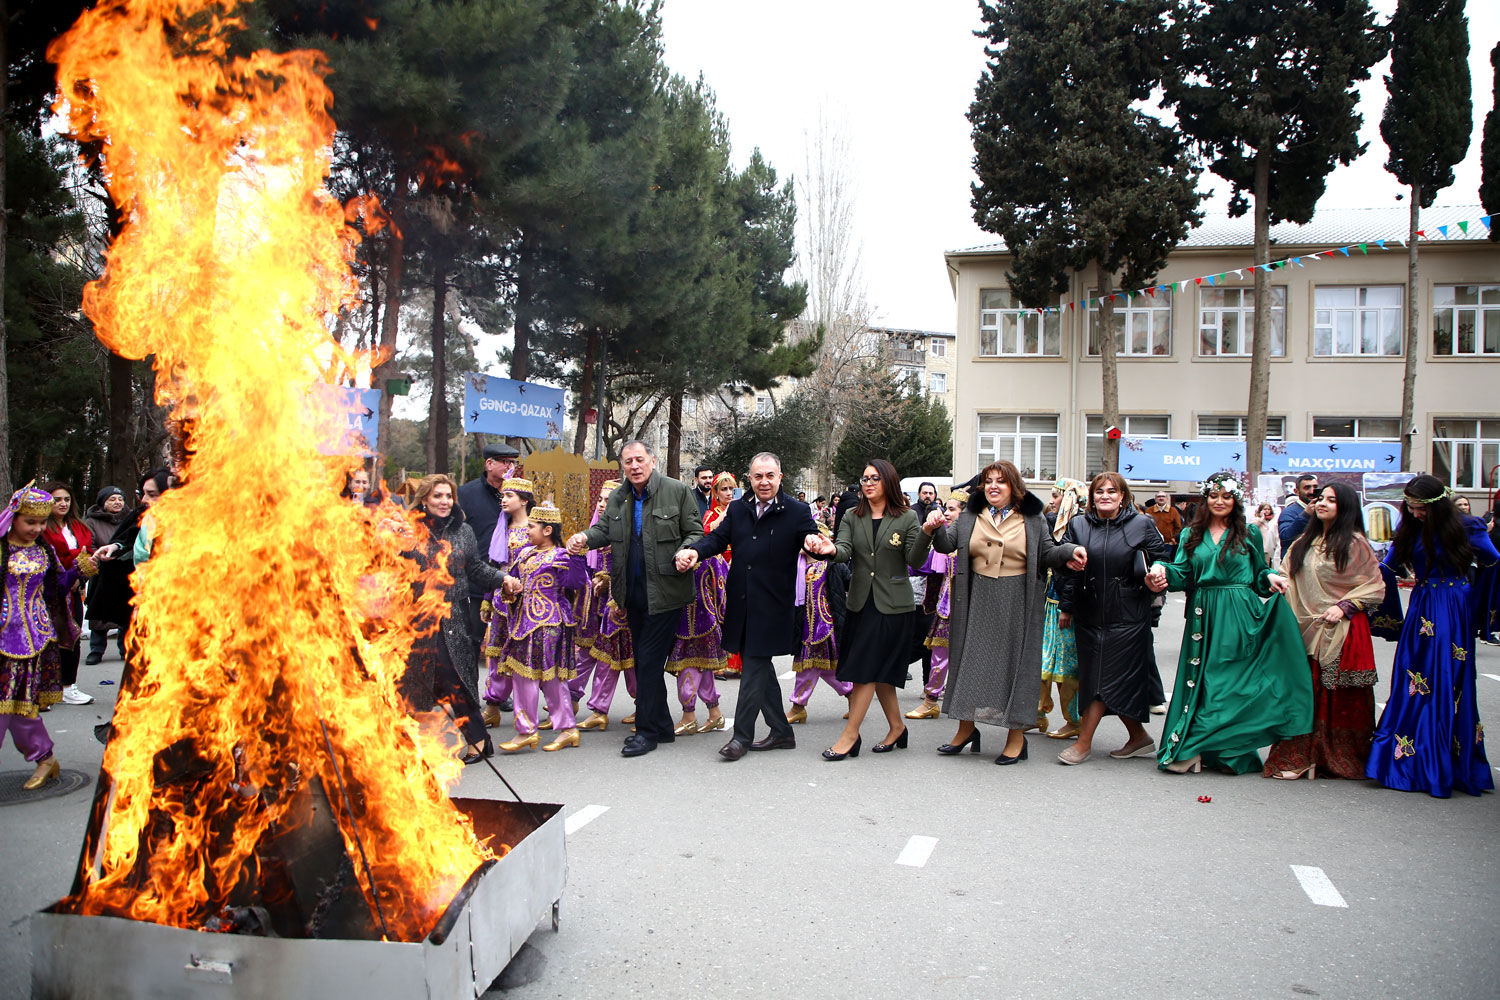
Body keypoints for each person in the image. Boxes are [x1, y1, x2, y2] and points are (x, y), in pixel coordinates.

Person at [1146, 473, 1311, 774]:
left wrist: (1270, 577)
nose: (1219, 501)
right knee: (1206, 683)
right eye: (1214, 496)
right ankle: (1194, 748)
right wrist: (1161, 570)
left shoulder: (1249, 532)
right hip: (1204, 616)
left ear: (1235, 500)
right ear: (1206, 499)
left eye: (1226, 496)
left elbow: (1260, 575)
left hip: (1240, 615)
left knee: (1231, 686)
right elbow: (1182, 575)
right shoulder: (1190, 535)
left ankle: (1228, 751)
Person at [678, 452, 828, 760]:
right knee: (758, 666)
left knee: (754, 667)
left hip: (773, 604)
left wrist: (816, 544)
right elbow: (718, 540)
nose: (764, 482)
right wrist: (695, 551)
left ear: (780, 477)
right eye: (758, 476)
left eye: (770, 476)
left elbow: (810, 538)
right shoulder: (738, 509)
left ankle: (741, 737)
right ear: (751, 478)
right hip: (741, 601)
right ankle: (782, 732)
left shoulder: (797, 511)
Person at [568, 441, 702, 757]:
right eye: (628, 462)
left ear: (652, 461)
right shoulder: (618, 496)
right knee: (646, 661)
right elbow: (603, 530)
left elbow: (695, 532)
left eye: (640, 460)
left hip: (667, 592)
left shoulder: (677, 491)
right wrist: (583, 538)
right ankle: (663, 727)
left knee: (648, 661)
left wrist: (687, 551)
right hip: (631, 593)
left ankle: (646, 731)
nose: (634, 466)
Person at [1366, 475, 1497, 797]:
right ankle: (1412, 756)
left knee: (1448, 678)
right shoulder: (1409, 529)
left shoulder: (1467, 526)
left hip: (1454, 604)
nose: (1413, 512)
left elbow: (1492, 559)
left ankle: (1447, 760)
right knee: (1414, 676)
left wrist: (1477, 599)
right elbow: (1388, 567)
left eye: (1419, 507)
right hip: (1422, 604)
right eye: (1409, 506)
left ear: (1437, 505)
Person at [819, 459, 944, 761]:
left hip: (894, 605)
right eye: (864, 478)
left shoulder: (906, 517)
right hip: (861, 602)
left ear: (888, 481)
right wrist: (831, 549)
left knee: (867, 670)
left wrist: (926, 531)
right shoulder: (851, 515)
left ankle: (851, 736)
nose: (869, 483)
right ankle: (897, 727)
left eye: (875, 478)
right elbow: (845, 550)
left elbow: (914, 559)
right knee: (881, 673)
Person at [1263, 483, 1386, 780]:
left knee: (1336, 696)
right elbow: (1285, 573)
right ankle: (1301, 756)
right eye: (1321, 498)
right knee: (1303, 692)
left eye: (1332, 500)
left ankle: (1336, 756)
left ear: (1345, 507)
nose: (1323, 503)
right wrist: (1274, 580)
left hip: (1340, 630)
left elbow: (1375, 585)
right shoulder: (1306, 540)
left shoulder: (1355, 543)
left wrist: (1345, 606)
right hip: (1304, 626)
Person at [1054, 473, 1169, 765]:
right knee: (1096, 678)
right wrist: (1066, 607)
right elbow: (1065, 569)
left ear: (1122, 496)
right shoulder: (1078, 524)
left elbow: (1163, 560)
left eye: (1111, 491)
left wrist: (1157, 579)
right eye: (1099, 491)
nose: (1105, 496)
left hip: (1128, 616)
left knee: (1104, 679)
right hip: (1089, 613)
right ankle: (1139, 737)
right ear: (1091, 496)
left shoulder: (1142, 524)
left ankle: (1083, 743)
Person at [398, 475, 507, 763]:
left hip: (453, 619)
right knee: (409, 683)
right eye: (438, 496)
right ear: (424, 499)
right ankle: (407, 747)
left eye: (448, 496)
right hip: (416, 618)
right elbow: (392, 569)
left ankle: (479, 740)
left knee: (456, 679)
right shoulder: (408, 531)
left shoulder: (464, 531)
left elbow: (476, 569)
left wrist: (503, 579)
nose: (445, 502)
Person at [1, 485, 89, 790]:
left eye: (41, 523)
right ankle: (44, 757)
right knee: (7, 706)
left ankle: (45, 758)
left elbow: (55, 589)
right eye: (30, 522)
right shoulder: (1, 550)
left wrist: (79, 570)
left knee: (20, 705)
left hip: (33, 641)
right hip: (2, 637)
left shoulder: (44, 551)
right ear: (13, 518)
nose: (37, 529)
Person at [494, 505, 590, 752]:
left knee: (551, 678)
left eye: (531, 527)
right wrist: (509, 590)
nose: (526, 531)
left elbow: (576, 583)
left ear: (547, 530)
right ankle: (528, 731)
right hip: (523, 625)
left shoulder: (560, 556)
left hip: (550, 625)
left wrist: (578, 556)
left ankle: (567, 728)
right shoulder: (525, 554)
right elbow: (512, 582)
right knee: (522, 676)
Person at [86, 468, 169, 671]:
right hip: (144, 595)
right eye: (143, 493)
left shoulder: (192, 523)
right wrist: (114, 547)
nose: (144, 500)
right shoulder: (145, 517)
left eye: (151, 494)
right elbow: (130, 538)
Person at [577, 481, 639, 731]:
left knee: (631, 660)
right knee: (607, 658)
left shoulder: (629, 531)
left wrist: (611, 585)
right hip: (603, 607)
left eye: (608, 499)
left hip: (626, 604)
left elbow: (632, 569)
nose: (602, 504)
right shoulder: (598, 532)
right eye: (600, 499)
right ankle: (598, 709)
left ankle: (643, 705)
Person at [665, 496, 728, 737]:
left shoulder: (709, 553)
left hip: (703, 622)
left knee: (689, 670)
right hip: (684, 621)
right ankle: (715, 715)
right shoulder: (673, 551)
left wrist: (722, 618)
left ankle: (688, 716)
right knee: (704, 670)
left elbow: (722, 589)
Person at [456, 442, 521, 671]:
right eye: (505, 462)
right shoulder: (466, 494)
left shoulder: (518, 494)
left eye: (513, 462)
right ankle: (468, 693)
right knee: (471, 639)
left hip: (508, 580)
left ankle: (498, 696)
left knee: (506, 640)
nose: (510, 466)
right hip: (475, 579)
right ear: (489, 463)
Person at [478, 477, 536, 727]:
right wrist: (487, 601)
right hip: (503, 601)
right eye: (502, 495)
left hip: (531, 603)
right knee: (498, 652)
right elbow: (493, 566)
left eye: (509, 495)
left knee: (526, 656)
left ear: (524, 501)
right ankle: (493, 704)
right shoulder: (501, 528)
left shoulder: (538, 527)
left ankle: (546, 712)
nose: (503, 500)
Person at [907, 490, 967, 720]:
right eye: (947, 508)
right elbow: (921, 566)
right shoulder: (945, 542)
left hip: (967, 610)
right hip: (944, 609)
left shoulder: (971, 542)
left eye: (952, 509)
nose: (947, 513)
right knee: (939, 654)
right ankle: (931, 699)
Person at [786, 525, 854, 723]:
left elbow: (852, 583)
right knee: (825, 668)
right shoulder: (795, 565)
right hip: (804, 626)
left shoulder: (834, 564)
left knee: (808, 667)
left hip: (825, 627)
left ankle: (798, 706)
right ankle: (852, 696)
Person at [38, 482, 94, 706]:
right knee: (47, 639)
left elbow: (87, 553)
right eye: (57, 499)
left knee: (74, 637)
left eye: (66, 499)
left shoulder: (79, 527)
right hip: (49, 590)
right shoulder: (42, 527)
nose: (62, 504)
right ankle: (43, 688)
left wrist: (79, 576)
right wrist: (71, 568)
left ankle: (69, 685)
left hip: (74, 590)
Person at [81, 486, 126, 665]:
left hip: (124, 572)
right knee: (99, 613)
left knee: (124, 613)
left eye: (120, 499)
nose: (117, 502)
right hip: (102, 573)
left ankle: (125, 649)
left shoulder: (129, 519)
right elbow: (89, 545)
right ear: (103, 502)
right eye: (112, 499)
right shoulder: (92, 522)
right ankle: (96, 650)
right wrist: (100, 557)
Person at [1278, 474, 1319, 558]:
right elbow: (1285, 536)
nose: (1312, 491)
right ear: (1296, 491)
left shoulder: (1321, 509)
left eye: (1315, 487)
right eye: (1307, 488)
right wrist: (1305, 515)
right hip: (1295, 562)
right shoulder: (1289, 512)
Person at [1141, 490, 1184, 561]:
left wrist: (1173, 540)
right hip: (1153, 543)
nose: (1161, 498)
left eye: (1163, 496)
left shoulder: (1173, 511)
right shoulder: (1149, 511)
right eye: (1159, 497)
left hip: (1168, 543)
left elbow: (1178, 527)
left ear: (1167, 499)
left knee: (1167, 562)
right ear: (1155, 499)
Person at [1251, 502, 1280, 569]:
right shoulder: (1257, 519)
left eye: (1268, 509)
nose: (1267, 511)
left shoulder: (1274, 520)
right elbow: (1252, 527)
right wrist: (1262, 518)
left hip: (1272, 547)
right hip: (1262, 548)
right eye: (1265, 509)